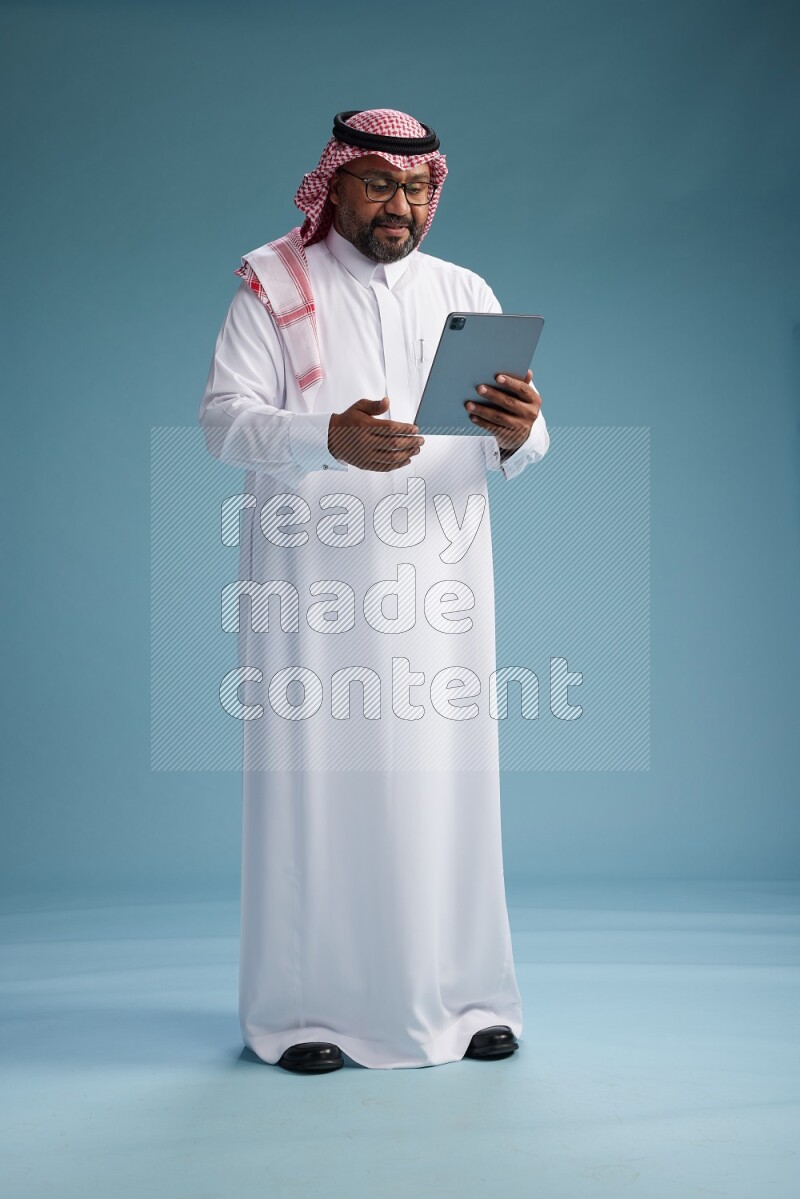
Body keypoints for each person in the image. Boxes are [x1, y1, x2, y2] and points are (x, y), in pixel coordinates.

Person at [198, 108, 550, 1073]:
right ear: (336, 185)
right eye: (380, 186)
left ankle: (471, 995)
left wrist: (524, 433)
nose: (401, 206)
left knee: (450, 788)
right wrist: (326, 438)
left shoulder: (463, 290)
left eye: (418, 189)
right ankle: (303, 1012)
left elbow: (513, 437)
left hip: (439, 589)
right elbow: (224, 424)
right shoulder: (273, 284)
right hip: (315, 592)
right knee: (320, 791)